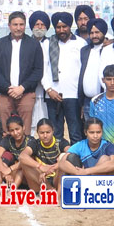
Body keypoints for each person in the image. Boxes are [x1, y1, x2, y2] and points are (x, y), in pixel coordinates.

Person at [0, 10, 45, 132]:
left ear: (25, 26)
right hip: (5, 94)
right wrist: (8, 89)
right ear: (9, 25)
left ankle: (25, 146)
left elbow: (38, 70)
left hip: (26, 93)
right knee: (6, 130)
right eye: (15, 24)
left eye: (21, 25)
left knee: (25, 130)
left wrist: (22, 88)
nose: (18, 28)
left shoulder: (34, 44)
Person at [40, 11, 86, 144]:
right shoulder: (47, 43)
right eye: (58, 27)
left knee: (75, 132)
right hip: (52, 95)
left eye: (64, 26)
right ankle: (56, 156)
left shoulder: (80, 43)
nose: (61, 30)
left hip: (73, 95)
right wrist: (49, 89)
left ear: (70, 26)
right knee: (55, 134)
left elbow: (84, 70)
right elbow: (42, 69)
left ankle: (75, 156)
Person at [21, 117, 68, 193]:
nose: (45, 135)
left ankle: (57, 192)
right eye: (42, 133)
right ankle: (50, 189)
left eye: (48, 132)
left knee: (64, 157)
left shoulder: (60, 142)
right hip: (40, 181)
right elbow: (22, 156)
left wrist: (54, 167)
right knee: (24, 163)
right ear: (37, 133)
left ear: (53, 131)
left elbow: (71, 153)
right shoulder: (35, 143)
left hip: (56, 179)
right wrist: (40, 167)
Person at [78, 18, 110, 120]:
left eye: (97, 32)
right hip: (87, 102)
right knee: (90, 129)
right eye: (91, 33)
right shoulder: (85, 50)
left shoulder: (109, 49)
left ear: (104, 33)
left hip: (104, 101)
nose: (94, 35)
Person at [0, 115, 30, 186]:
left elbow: (26, 161)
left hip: (27, 176)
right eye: (12, 130)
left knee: (22, 165)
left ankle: (13, 189)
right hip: (11, 175)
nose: (15, 133)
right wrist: (5, 172)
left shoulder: (30, 141)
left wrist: (9, 169)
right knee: (3, 159)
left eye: (17, 129)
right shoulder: (8, 139)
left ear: (23, 127)